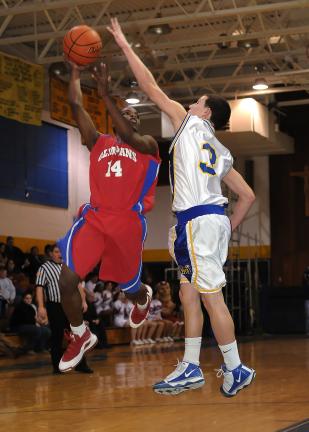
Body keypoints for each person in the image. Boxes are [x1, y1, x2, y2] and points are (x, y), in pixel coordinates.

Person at [108, 17, 256, 397]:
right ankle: (191, 366)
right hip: (209, 221)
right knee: (189, 293)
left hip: (198, 222)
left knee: (209, 297)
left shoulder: (188, 124)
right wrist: (225, 228)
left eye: (197, 102)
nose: (190, 103)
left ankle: (235, 367)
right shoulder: (220, 151)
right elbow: (248, 195)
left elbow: (150, 87)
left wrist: (124, 44)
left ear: (204, 113)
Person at [56, 60, 160, 372]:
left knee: (129, 286)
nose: (129, 116)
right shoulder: (98, 141)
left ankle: (141, 298)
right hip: (96, 218)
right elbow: (75, 105)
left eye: (134, 115)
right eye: (124, 113)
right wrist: (75, 71)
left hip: (127, 222)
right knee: (66, 279)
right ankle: (80, 334)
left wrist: (105, 96)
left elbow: (129, 135)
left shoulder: (147, 148)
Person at [36, 244, 92, 374]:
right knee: (57, 336)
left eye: (61, 252)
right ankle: (57, 366)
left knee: (78, 335)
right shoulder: (44, 268)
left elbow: (78, 285)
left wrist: (83, 301)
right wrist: (40, 306)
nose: (59, 254)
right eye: (56, 251)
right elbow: (39, 287)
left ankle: (81, 365)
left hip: (71, 305)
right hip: (55, 306)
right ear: (51, 253)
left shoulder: (69, 267)